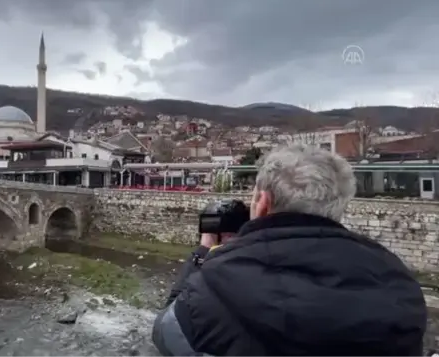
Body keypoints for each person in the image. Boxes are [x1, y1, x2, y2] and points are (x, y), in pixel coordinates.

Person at [152, 144, 428, 357]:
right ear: (338, 207)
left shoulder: (213, 283)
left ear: (262, 203)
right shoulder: (400, 286)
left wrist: (204, 251)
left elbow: (167, 331)